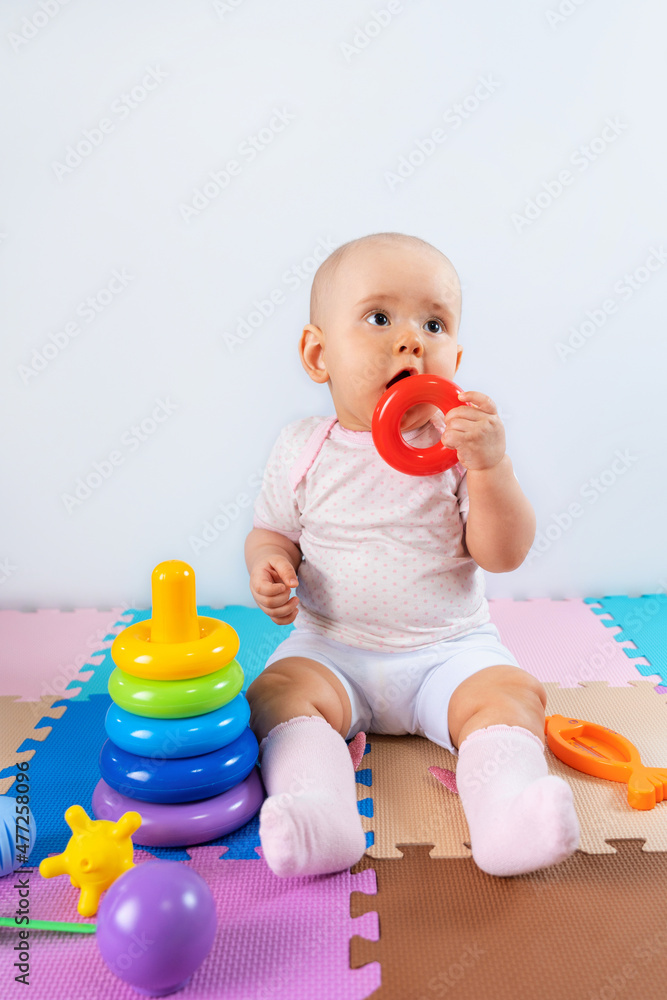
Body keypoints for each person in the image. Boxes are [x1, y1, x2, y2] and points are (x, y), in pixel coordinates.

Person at [244, 231, 580, 879]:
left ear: (456, 357)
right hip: (331, 648)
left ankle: (509, 813)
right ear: (318, 354)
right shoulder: (301, 449)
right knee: (273, 697)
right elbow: (271, 532)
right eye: (379, 318)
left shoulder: (457, 451)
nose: (411, 341)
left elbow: (502, 554)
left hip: (450, 651)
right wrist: (269, 565)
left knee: (511, 694)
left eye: (433, 324)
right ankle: (319, 809)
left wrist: (491, 468)